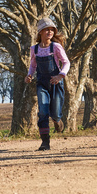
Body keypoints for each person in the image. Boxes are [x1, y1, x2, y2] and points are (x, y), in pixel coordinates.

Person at [25, 17, 70, 151]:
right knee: (43, 111)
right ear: (40, 32)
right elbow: (33, 66)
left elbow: (66, 62)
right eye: (47, 30)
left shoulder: (55, 46)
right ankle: (45, 142)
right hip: (42, 84)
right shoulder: (35, 49)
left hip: (56, 83)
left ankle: (57, 120)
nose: (50, 32)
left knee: (55, 113)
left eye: (52, 30)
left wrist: (60, 75)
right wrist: (29, 75)